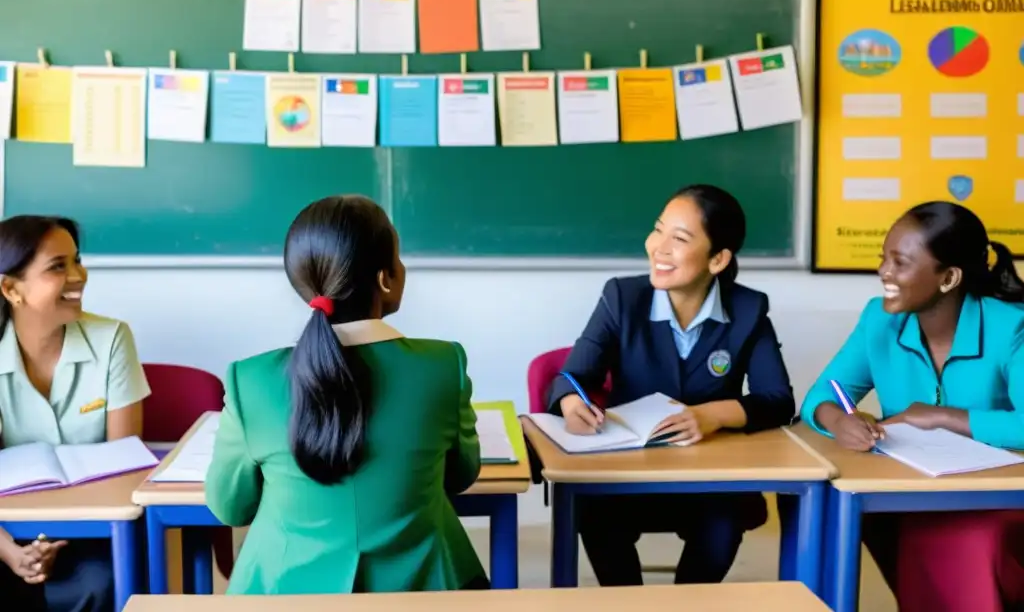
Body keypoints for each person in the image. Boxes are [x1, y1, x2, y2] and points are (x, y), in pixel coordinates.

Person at [205, 195, 487, 594]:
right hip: (419, 592)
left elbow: (230, 506)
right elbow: (461, 475)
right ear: (385, 277)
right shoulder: (444, 366)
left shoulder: (249, 381)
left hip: (284, 594)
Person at [548, 184, 795, 586]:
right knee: (593, 514)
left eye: (679, 239)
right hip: (626, 478)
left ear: (718, 259)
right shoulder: (621, 298)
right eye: (658, 230)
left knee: (724, 519)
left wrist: (711, 416)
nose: (659, 247)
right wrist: (571, 403)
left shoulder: (749, 309)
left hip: (707, 480)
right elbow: (571, 378)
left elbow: (778, 400)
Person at [801, 201, 1024, 612]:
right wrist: (839, 420)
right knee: (837, 510)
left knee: (960, 539)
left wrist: (942, 417)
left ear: (949, 277)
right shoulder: (880, 320)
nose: (884, 273)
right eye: (883, 259)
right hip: (911, 492)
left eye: (899, 262)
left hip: (998, 499)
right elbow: (821, 395)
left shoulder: (1011, 327)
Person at [0, 215, 151, 612]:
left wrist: (51, 538)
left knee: (98, 584)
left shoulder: (113, 338)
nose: (78, 275)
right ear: (11, 289)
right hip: (5, 533)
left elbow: (124, 469)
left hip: (94, 530)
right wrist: (11, 551)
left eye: (77, 260)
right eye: (58, 267)